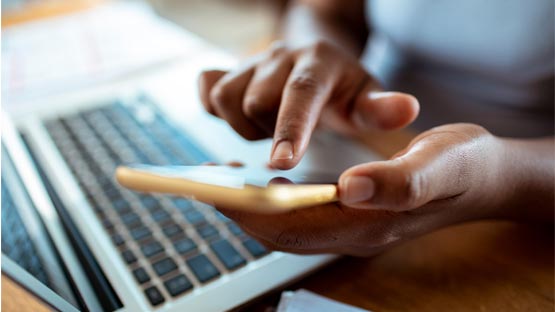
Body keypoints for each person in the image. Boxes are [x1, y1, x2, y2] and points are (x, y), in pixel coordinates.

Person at [197, 0, 554, 256]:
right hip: (347, 137)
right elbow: (326, 9)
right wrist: (312, 61)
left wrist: (499, 180)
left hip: (513, 214)